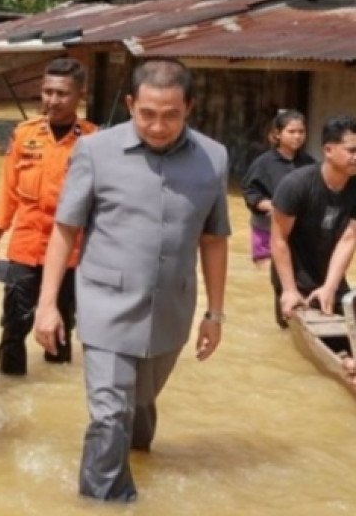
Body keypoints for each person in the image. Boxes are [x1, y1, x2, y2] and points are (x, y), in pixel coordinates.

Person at [34, 58, 229, 502]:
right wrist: (48, 305)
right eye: (147, 114)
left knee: (138, 409)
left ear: (189, 109)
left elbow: (215, 239)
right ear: (129, 104)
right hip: (105, 306)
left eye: (171, 115)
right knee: (109, 415)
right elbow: (65, 230)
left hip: (170, 311)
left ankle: (139, 454)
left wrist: (215, 314)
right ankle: (104, 504)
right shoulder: (94, 152)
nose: (158, 126)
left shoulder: (213, 158)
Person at [0, 58, 97, 375]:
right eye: (47, 92)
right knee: (13, 325)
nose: (52, 101)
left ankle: (55, 386)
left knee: (61, 327)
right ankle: (10, 387)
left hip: (70, 255)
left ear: (80, 95)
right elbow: (8, 190)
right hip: (25, 248)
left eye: (61, 93)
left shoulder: (93, 140)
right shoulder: (24, 135)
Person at [269, 115, 356, 321]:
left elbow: (349, 239)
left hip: (330, 273)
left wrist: (330, 287)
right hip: (293, 276)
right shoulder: (296, 185)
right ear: (328, 150)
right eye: (352, 151)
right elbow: (278, 239)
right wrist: (289, 290)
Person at [243, 110, 314, 327]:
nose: (297, 136)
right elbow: (250, 192)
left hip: (299, 231)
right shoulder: (264, 163)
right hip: (270, 229)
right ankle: (283, 323)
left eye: (301, 132)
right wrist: (272, 207)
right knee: (277, 276)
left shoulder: (310, 163)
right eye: (291, 131)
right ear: (277, 134)